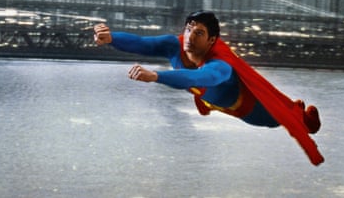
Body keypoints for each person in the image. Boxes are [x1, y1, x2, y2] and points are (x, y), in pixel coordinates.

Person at [94, 10, 324, 166]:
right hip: (217, 102)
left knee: (281, 118)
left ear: (211, 41)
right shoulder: (174, 46)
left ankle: (302, 116)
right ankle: (296, 110)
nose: (190, 37)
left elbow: (200, 78)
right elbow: (142, 43)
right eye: (189, 29)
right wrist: (111, 38)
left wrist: (156, 76)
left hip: (255, 111)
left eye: (199, 33)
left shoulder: (221, 66)